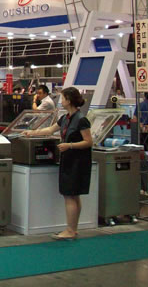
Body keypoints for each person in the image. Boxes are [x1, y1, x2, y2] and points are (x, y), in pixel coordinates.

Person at [23, 87, 93, 241]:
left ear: (69, 100)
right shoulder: (65, 118)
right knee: (73, 195)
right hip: (69, 160)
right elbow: (50, 130)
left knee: (70, 195)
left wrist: (70, 145)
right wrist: (32, 132)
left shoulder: (81, 119)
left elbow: (88, 141)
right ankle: (73, 229)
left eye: (63, 98)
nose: (61, 101)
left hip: (77, 161)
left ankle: (70, 229)